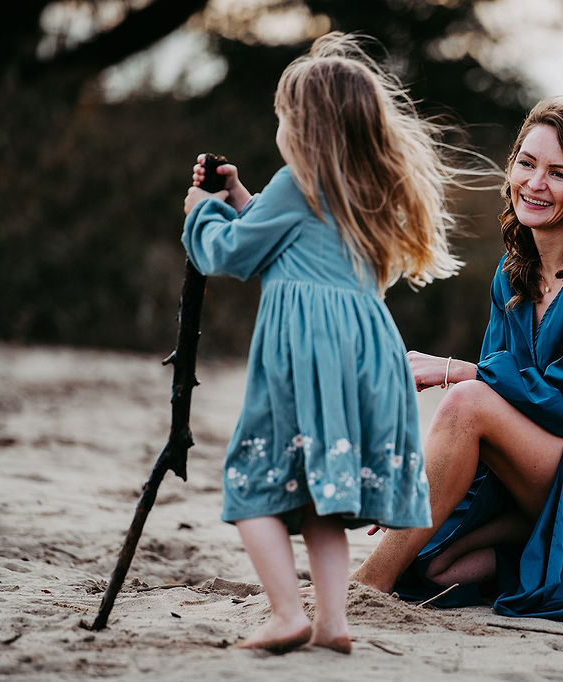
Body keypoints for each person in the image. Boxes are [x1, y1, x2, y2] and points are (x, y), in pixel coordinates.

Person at [351, 99, 563, 624]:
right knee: (440, 569)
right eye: (527, 163)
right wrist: (416, 489)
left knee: (466, 398)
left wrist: (460, 370)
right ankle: (534, 555)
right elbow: (498, 411)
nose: (535, 183)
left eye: (558, 173)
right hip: (539, 471)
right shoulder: (513, 272)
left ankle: (363, 585)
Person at [181, 32, 468, 653]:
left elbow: (233, 254)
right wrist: (238, 196)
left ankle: (287, 613)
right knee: (320, 500)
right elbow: (290, 245)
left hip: (304, 361)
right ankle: (332, 623)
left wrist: (202, 211)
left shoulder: (297, 184)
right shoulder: (363, 194)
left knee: (251, 484)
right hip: (366, 363)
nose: (281, 130)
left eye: (285, 119)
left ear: (306, 129)